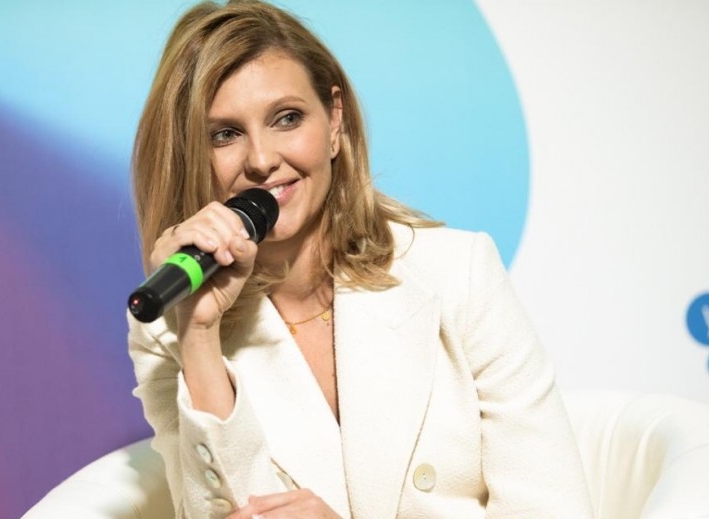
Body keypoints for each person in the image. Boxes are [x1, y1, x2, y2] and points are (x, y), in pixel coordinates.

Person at [127, 1, 593, 518]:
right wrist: (198, 333)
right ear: (190, 153)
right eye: (225, 134)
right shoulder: (169, 327)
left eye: (287, 118)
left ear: (334, 120)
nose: (261, 160)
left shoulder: (458, 272)